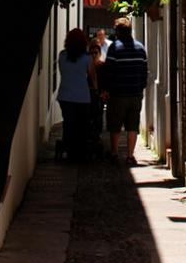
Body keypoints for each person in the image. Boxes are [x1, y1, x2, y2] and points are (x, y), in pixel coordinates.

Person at [101, 16, 147, 166]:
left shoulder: (114, 48)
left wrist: (106, 89)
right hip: (135, 94)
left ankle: (114, 153)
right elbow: (144, 72)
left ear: (118, 32)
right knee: (133, 126)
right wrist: (140, 88)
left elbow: (108, 71)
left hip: (118, 94)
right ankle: (130, 155)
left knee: (115, 125)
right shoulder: (141, 48)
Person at [57, 28, 94, 162]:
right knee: (82, 125)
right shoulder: (87, 58)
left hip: (65, 94)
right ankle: (80, 151)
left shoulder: (62, 56)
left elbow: (62, 72)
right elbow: (92, 76)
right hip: (82, 96)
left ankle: (68, 149)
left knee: (68, 123)